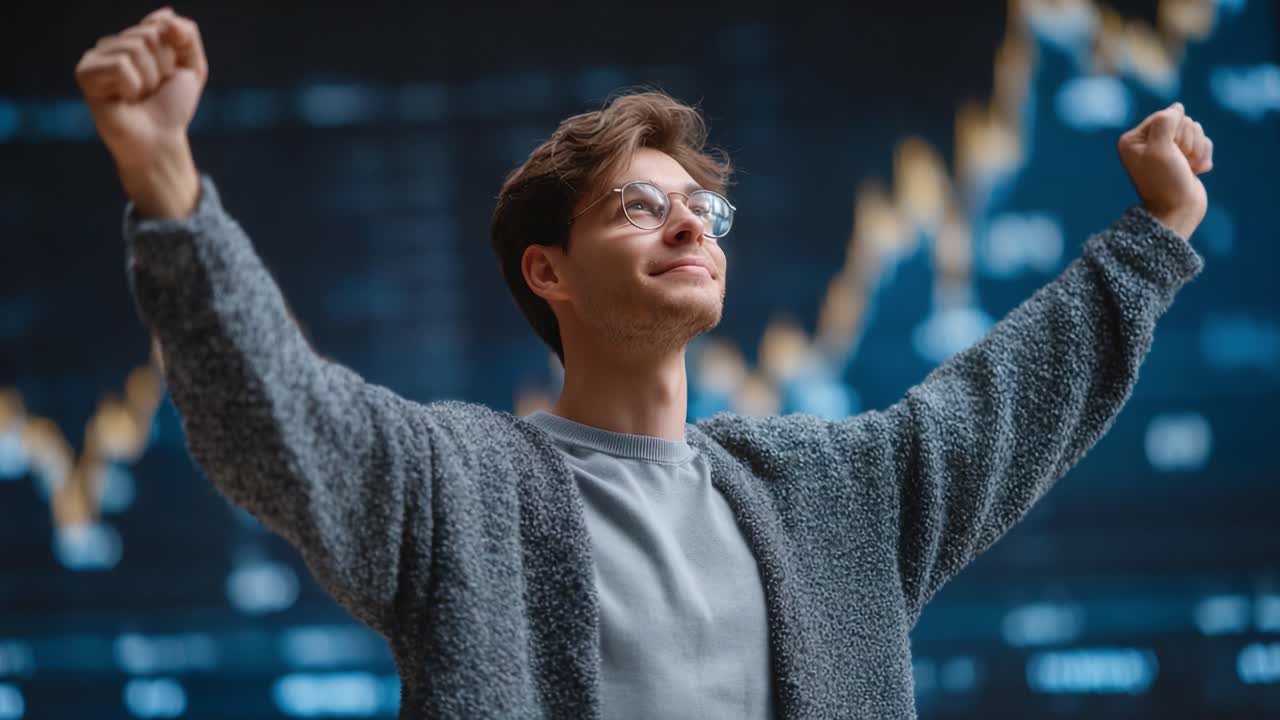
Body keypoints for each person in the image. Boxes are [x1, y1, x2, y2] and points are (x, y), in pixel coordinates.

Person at [75, 8, 1213, 720]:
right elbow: (278, 421)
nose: (688, 229)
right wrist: (171, 192)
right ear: (548, 273)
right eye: (637, 207)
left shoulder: (828, 499)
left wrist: (1150, 237)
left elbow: (1002, 404)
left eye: (700, 212)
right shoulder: (461, 492)